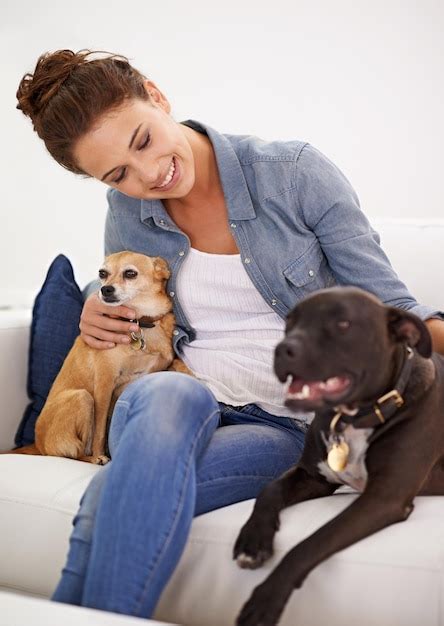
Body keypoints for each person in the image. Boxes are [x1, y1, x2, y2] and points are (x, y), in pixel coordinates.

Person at [16, 49, 444, 619]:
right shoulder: (128, 209)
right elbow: (135, 309)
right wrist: (97, 311)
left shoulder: (294, 174)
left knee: (116, 497)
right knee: (169, 394)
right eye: (117, 174)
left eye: (142, 141)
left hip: (280, 422)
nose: (146, 175)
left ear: (157, 94)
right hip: (170, 398)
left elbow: (394, 308)